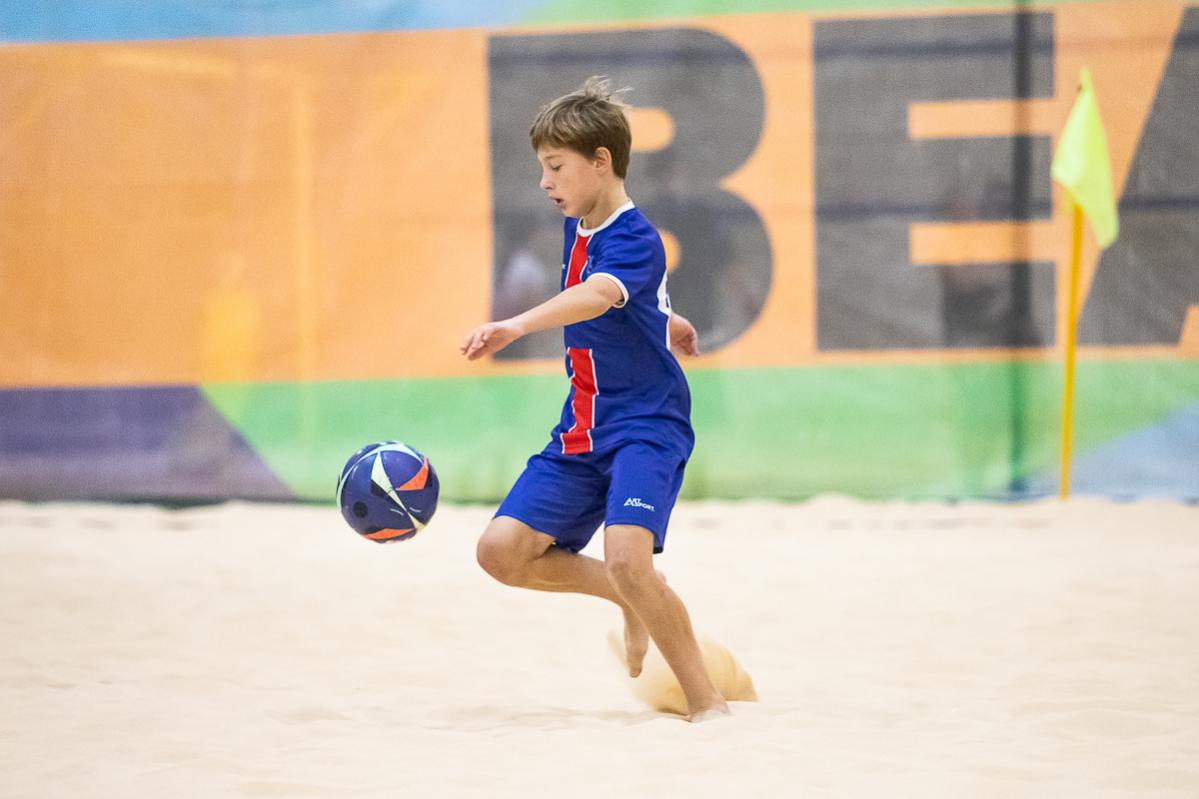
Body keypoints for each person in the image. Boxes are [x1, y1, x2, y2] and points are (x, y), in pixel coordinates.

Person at [460, 76, 729, 722]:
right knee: (498, 551)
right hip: (582, 426)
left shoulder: (633, 234)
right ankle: (622, 594)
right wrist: (664, 317)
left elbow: (600, 293)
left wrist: (516, 324)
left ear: (600, 162)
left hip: (645, 425)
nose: (545, 182)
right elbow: (624, 300)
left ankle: (707, 703)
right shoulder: (579, 222)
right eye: (542, 168)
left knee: (630, 558)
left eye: (555, 167)